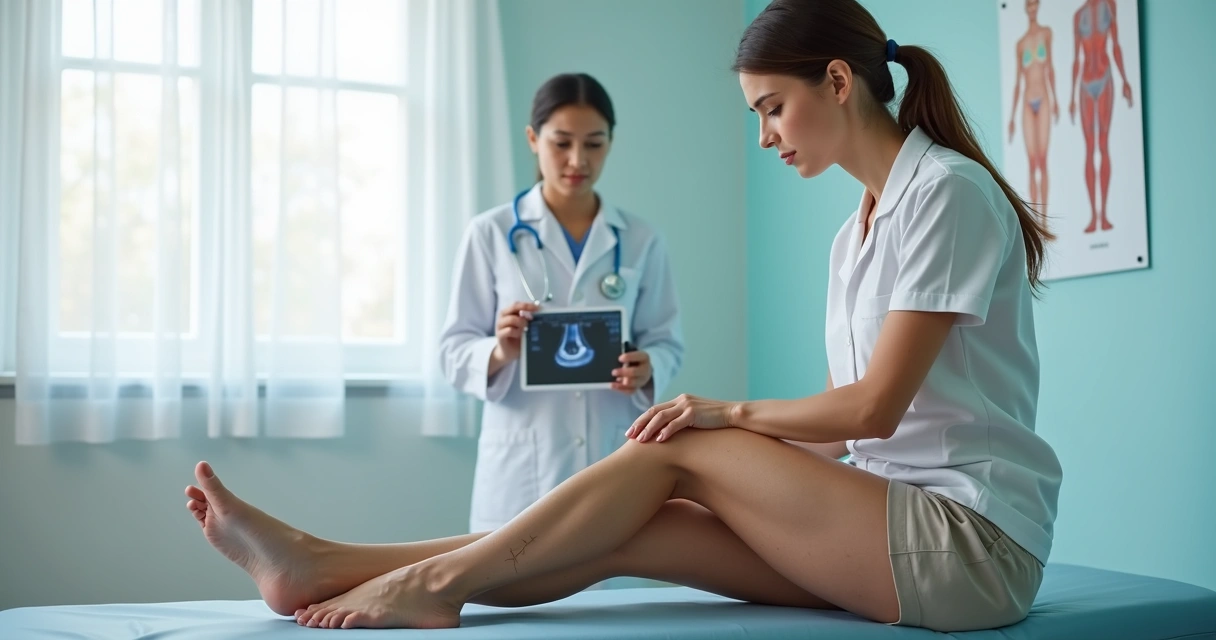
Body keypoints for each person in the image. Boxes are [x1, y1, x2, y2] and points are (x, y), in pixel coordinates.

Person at [182, 0, 1063, 632]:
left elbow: (871, 410)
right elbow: (841, 433)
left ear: (838, 82)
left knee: (673, 441)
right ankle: (317, 561)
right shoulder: (856, 231)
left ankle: (435, 584)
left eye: (771, 109)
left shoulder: (944, 193)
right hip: (882, 519)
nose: (765, 136)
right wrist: (733, 461)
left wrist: (722, 418)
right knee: (634, 526)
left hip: (966, 544)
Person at [437, 72, 684, 533]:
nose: (577, 160)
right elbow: (453, 350)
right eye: (561, 143)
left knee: (609, 590)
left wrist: (648, 367)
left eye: (594, 144)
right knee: (508, 592)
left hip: (611, 452)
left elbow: (667, 340)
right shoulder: (491, 234)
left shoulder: (640, 240)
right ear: (533, 139)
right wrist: (499, 349)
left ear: (611, 142)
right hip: (521, 466)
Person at [1068, 0, 1134, 233]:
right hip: (1085, 83)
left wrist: (1125, 80)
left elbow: (1115, 45)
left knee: (1103, 145)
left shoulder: (1110, 6)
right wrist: (1070, 96)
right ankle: (1093, 217)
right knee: (1089, 148)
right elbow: (1076, 58)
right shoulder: (1078, 15)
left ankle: (1104, 215)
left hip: (1105, 78)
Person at [1008, 0, 1059, 223]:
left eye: (1034, 4)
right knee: (1032, 163)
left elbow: (1051, 69)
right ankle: (1036, 222)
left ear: (1038, 6)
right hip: (1027, 102)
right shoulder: (1020, 44)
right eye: (1028, 4)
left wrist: (1056, 100)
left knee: (1043, 160)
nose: (1031, 8)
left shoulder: (1046, 34)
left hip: (1044, 99)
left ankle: (1045, 220)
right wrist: (1011, 117)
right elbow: (1018, 82)